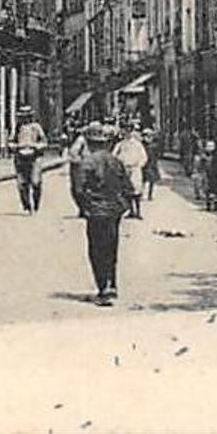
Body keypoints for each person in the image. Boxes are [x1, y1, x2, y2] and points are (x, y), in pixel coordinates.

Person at [75, 122, 133, 305]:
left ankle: (103, 289)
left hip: (95, 210)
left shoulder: (86, 163)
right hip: (113, 211)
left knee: (96, 249)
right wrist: (123, 205)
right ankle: (112, 284)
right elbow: (128, 188)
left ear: (90, 143)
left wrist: (84, 207)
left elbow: (78, 189)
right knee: (111, 247)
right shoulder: (116, 162)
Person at [12, 106, 48, 214]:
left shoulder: (36, 127)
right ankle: (27, 206)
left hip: (35, 157)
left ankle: (36, 204)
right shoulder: (17, 128)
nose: (25, 119)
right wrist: (15, 146)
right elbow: (10, 141)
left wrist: (36, 146)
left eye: (27, 117)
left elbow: (44, 142)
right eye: (23, 117)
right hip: (20, 157)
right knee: (22, 183)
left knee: (35, 181)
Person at [113, 126, 149, 219]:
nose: (126, 134)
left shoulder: (137, 144)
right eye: (125, 132)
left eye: (128, 132)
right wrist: (119, 164)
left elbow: (143, 156)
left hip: (135, 169)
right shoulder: (120, 144)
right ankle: (131, 211)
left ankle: (138, 211)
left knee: (137, 191)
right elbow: (114, 155)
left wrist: (139, 165)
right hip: (124, 169)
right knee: (127, 192)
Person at [66, 125, 90, 218]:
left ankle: (85, 209)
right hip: (81, 165)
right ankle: (83, 209)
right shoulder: (81, 140)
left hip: (85, 165)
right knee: (78, 189)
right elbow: (73, 153)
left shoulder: (86, 141)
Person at [141, 126, 161, 202]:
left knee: (152, 181)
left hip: (152, 165)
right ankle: (143, 194)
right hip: (145, 165)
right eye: (146, 136)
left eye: (150, 136)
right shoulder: (142, 145)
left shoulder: (154, 146)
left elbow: (156, 155)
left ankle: (150, 195)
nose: (148, 138)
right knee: (144, 180)